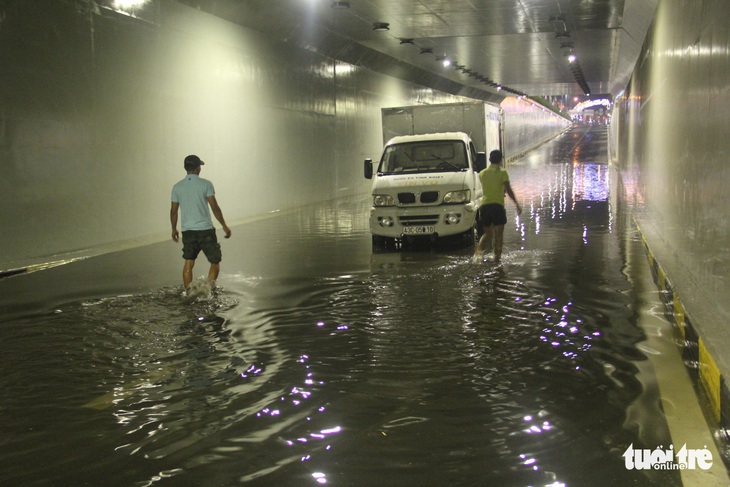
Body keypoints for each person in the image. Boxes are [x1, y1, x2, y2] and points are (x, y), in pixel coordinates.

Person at [170, 154, 231, 290]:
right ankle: (208, 291)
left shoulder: (177, 187)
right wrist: (224, 226)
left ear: (186, 168)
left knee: (189, 262)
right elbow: (214, 207)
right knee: (215, 261)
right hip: (206, 230)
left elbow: (173, 211)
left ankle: (188, 293)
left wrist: (174, 229)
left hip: (188, 231)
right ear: (198, 168)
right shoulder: (206, 184)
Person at [473, 150, 522, 262]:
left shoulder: (482, 173)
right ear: (500, 160)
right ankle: (497, 260)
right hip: (497, 207)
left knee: (488, 233)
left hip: (484, 206)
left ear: (490, 160)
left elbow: (490, 186)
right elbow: (508, 190)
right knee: (498, 235)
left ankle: (479, 246)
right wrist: (516, 203)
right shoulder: (503, 172)